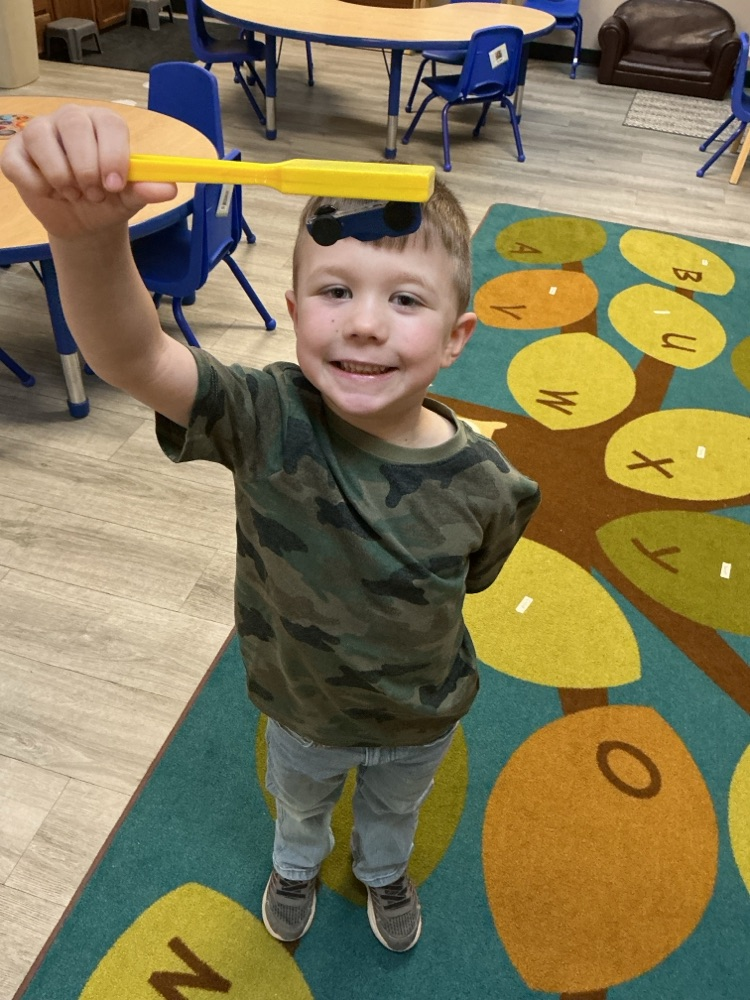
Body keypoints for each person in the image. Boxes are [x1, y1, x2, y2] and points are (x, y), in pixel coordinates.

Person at [2, 105, 541, 954]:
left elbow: (471, 580)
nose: (364, 321)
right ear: (293, 308)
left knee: (396, 807)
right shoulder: (266, 417)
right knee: (299, 799)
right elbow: (136, 357)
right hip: (298, 705)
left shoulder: (492, 484)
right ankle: (296, 862)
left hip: (420, 716)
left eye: (404, 299)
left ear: (454, 338)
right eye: (336, 291)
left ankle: (382, 869)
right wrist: (88, 238)